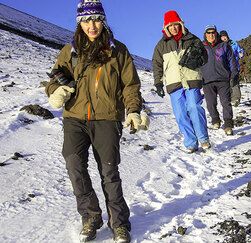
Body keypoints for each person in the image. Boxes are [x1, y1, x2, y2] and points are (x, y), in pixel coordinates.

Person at [45, 0, 147, 242]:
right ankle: (90, 216)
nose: (93, 25)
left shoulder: (117, 50)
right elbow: (52, 79)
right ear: (80, 23)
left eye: (97, 20)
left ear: (104, 21)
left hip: (107, 118)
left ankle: (119, 223)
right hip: (74, 118)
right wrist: (54, 92)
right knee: (74, 165)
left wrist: (133, 110)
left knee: (109, 171)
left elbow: (130, 85)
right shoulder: (69, 50)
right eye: (87, 20)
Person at [152, 10, 210, 153]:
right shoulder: (161, 45)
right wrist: (158, 83)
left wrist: (197, 58)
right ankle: (190, 142)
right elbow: (156, 64)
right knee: (181, 114)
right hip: (173, 83)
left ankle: (203, 139)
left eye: (176, 25)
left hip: (191, 79)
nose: (174, 28)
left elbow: (204, 56)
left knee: (194, 107)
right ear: (166, 27)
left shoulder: (193, 39)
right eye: (170, 26)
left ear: (181, 24)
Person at [200, 25, 237, 135]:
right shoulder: (201, 47)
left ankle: (228, 124)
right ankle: (215, 120)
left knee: (226, 102)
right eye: (208, 33)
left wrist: (233, 75)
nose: (211, 35)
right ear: (205, 34)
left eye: (213, 32)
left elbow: (232, 61)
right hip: (207, 80)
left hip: (223, 79)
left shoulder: (224, 46)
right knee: (210, 103)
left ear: (216, 34)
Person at [220, 30, 245, 107]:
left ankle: (236, 99)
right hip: (224, 68)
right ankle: (229, 98)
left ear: (227, 36)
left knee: (234, 82)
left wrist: (241, 53)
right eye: (222, 37)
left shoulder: (233, 43)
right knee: (226, 84)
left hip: (234, 67)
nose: (224, 38)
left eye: (225, 36)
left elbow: (240, 50)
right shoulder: (219, 46)